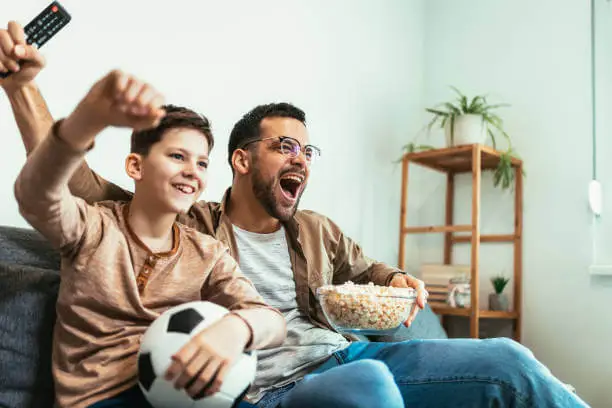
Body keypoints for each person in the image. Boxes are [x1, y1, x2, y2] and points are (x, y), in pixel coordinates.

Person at [2, 21, 589, 408]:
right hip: (278, 384)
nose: (301, 161)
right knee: (372, 390)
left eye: (307, 151)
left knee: (511, 361)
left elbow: (372, 271)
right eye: (285, 147)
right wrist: (24, 89)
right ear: (240, 160)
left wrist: (400, 282)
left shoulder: (316, 230)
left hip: (350, 349)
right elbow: (75, 186)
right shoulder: (194, 230)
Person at [13, 67, 287, 408]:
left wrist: (238, 328)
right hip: (100, 399)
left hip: (181, 394)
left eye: (202, 163)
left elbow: (272, 321)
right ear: (135, 166)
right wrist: (87, 119)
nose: (193, 171)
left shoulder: (206, 252)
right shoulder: (93, 228)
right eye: (177, 156)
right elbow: (36, 194)